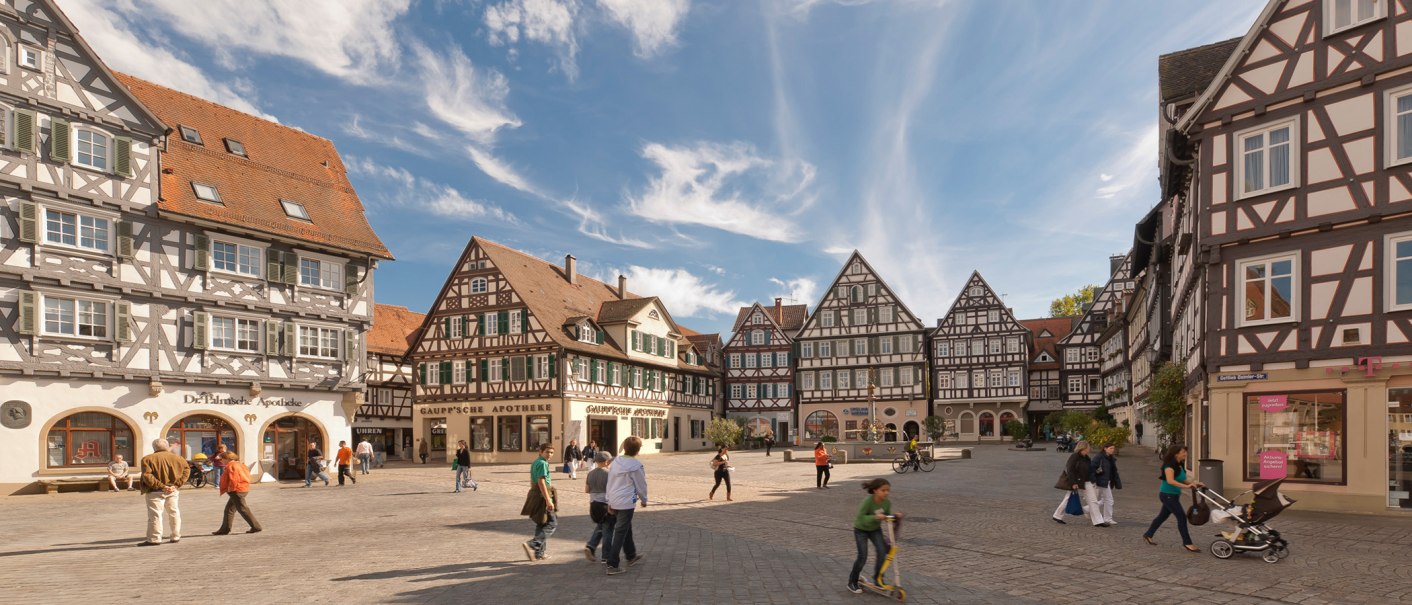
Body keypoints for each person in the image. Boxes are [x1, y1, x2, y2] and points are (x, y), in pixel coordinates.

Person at [1143, 445, 1204, 552]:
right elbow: (1170, 481)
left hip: (1173, 495)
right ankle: (1187, 543)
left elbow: (1182, 479)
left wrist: (1195, 484)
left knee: (1162, 517)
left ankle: (1148, 534)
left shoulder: (1179, 464)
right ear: (1176, 453)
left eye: (1185, 452)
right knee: (1181, 517)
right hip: (1167, 495)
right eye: (1183, 452)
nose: (1185, 454)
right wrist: (1187, 487)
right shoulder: (1169, 465)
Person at [603, 436, 648, 575]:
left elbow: (610, 481)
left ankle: (631, 555)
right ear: (638, 450)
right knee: (621, 530)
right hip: (627, 501)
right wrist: (644, 499)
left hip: (615, 499)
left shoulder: (616, 462)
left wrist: (609, 500)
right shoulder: (636, 465)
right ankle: (612, 563)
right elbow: (641, 484)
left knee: (625, 527)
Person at [847, 478, 898, 593]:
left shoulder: (887, 503)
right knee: (862, 556)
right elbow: (860, 517)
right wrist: (875, 517)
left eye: (888, 490)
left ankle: (878, 579)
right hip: (861, 529)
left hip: (875, 529)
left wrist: (894, 517)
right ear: (875, 490)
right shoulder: (868, 501)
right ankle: (852, 582)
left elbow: (887, 516)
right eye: (883, 490)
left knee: (881, 552)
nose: (886, 493)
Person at [137, 438, 188, 546]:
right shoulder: (179, 458)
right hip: (172, 490)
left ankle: (155, 538)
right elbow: (186, 471)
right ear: (166, 446)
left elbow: (147, 475)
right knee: (174, 512)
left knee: (155, 515)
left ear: (154, 447)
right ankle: (175, 536)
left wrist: (162, 486)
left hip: (155, 491)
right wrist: (176, 485)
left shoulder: (147, 459)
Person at [1052, 440, 1105, 526]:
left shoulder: (1087, 458)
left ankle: (1098, 521)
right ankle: (1057, 515)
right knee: (1068, 499)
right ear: (1083, 448)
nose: (1089, 449)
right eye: (1088, 447)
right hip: (1077, 481)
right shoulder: (1074, 457)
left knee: (1093, 501)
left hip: (1086, 481)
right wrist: (1073, 483)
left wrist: (1096, 472)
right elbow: (1070, 470)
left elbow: (1089, 470)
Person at [520, 443, 557, 562]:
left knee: (542, 523)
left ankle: (539, 553)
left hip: (536, 493)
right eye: (547, 452)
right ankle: (533, 544)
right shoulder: (542, 463)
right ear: (540, 451)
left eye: (551, 452)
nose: (549, 454)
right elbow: (541, 482)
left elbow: (533, 480)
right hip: (542, 494)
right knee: (552, 523)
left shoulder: (536, 462)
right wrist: (548, 499)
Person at [211, 451, 262, 535]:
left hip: (236, 490)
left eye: (222, 459)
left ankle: (256, 526)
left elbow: (234, 479)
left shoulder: (231, 466)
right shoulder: (239, 464)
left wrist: (231, 489)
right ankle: (225, 529)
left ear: (227, 459)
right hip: (242, 488)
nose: (221, 461)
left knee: (242, 509)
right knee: (229, 509)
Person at [583, 450, 614, 562]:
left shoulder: (590, 473)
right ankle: (606, 556)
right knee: (608, 530)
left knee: (601, 526)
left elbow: (587, 490)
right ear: (606, 462)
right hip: (605, 504)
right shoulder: (609, 473)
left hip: (593, 504)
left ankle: (591, 546)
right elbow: (612, 490)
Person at [1090, 443, 1122, 526]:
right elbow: (1091, 468)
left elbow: (1114, 471)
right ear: (1105, 448)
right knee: (1108, 500)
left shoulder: (1111, 458)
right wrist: (1093, 480)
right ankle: (1107, 518)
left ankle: (1087, 509)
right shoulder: (1099, 457)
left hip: (1107, 481)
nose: (1113, 450)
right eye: (1111, 448)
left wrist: (1116, 481)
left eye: (1113, 448)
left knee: (1105, 500)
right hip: (1100, 481)